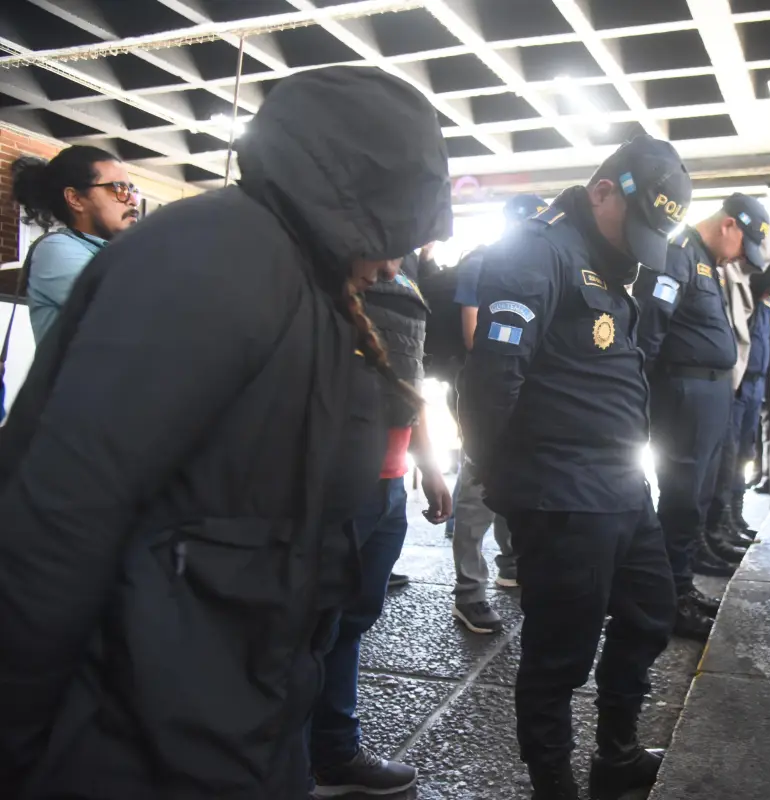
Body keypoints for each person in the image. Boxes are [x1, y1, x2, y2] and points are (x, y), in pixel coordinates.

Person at [0, 66, 451, 797]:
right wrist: (16, 745)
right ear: (347, 194)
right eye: (393, 227)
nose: (395, 259)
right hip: (135, 736)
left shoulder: (310, 281)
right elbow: (62, 513)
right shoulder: (209, 258)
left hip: (234, 715)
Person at [460, 135, 691, 800]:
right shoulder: (540, 249)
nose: (641, 242)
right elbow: (493, 374)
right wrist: (503, 475)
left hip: (620, 488)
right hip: (561, 494)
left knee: (651, 613)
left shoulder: (609, 256)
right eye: (639, 222)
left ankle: (615, 753)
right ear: (601, 192)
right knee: (560, 652)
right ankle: (552, 782)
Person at [309, 253, 454, 796]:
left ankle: (334, 753)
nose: (391, 266)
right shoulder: (314, 277)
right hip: (337, 484)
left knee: (351, 623)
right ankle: (289, 764)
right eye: (386, 251)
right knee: (311, 629)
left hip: (388, 484)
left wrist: (431, 467)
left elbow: (406, 384)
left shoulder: (403, 280)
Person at [631, 192, 770, 641]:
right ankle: (666, 600)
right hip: (685, 395)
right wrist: (642, 396)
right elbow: (651, 327)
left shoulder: (706, 262)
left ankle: (681, 587)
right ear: (729, 224)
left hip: (708, 394)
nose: (742, 258)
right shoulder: (678, 256)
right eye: (743, 244)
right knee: (681, 500)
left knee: (695, 500)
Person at [448, 193, 546, 634]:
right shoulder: (482, 264)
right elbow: (475, 337)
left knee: (513, 480)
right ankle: (469, 593)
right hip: (485, 391)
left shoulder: (542, 266)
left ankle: (511, 565)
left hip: (525, 389)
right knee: (477, 488)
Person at [10, 146, 140, 344]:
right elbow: (133, 312)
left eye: (132, 190)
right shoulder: (56, 249)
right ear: (76, 199)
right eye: (119, 189)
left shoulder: (118, 254)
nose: (133, 201)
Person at [705, 251, 770, 544]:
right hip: (737, 387)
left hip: (755, 387)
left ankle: (734, 517)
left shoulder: (764, 307)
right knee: (727, 458)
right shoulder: (741, 297)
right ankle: (719, 522)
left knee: (743, 455)